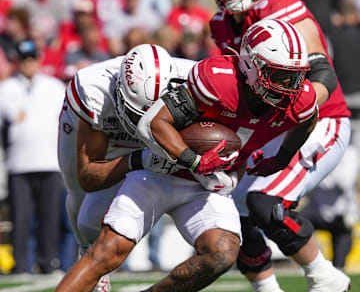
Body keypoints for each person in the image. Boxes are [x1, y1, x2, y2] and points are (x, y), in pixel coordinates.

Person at [55, 18, 317, 292]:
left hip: (201, 183)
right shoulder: (216, 80)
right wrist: (194, 161)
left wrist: (279, 160)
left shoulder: (299, 99)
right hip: (159, 170)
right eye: (280, 75)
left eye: (296, 75)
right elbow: (152, 123)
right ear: (251, 66)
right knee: (106, 248)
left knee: (222, 252)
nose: (291, 85)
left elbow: (306, 119)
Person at [207, 0, 351, 292]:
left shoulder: (284, 9)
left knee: (263, 203)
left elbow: (323, 77)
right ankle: (266, 289)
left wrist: (301, 111)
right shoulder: (220, 24)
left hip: (319, 120)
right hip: (270, 127)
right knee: (227, 208)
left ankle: (326, 279)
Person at [57, 44, 196, 291]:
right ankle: (89, 255)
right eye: (138, 115)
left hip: (158, 121)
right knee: (79, 196)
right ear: (119, 93)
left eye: (151, 116)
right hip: (102, 127)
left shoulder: (193, 80)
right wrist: (138, 159)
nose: (144, 126)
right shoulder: (94, 90)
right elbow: (88, 177)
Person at [0, 40, 65, 274]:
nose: (28, 63)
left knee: (50, 217)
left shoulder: (54, 86)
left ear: (39, 59)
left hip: (49, 161)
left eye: (32, 58)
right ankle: (21, 264)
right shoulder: (6, 88)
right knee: (21, 217)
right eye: (24, 59)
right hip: (19, 162)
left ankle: (48, 261)